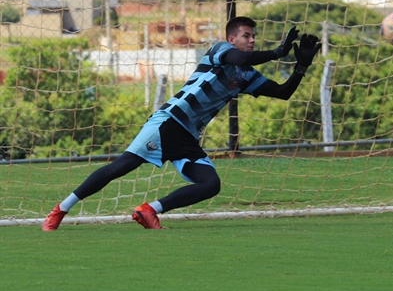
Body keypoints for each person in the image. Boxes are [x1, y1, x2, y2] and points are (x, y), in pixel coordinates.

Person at [42, 16, 321, 231]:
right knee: (120, 167)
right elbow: (241, 57)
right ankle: (61, 210)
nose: (251, 40)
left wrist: (301, 67)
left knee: (210, 184)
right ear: (231, 38)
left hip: (187, 136)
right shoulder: (220, 51)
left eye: (253, 36)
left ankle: (149, 210)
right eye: (246, 36)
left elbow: (283, 93)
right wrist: (277, 52)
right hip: (168, 123)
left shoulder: (247, 76)